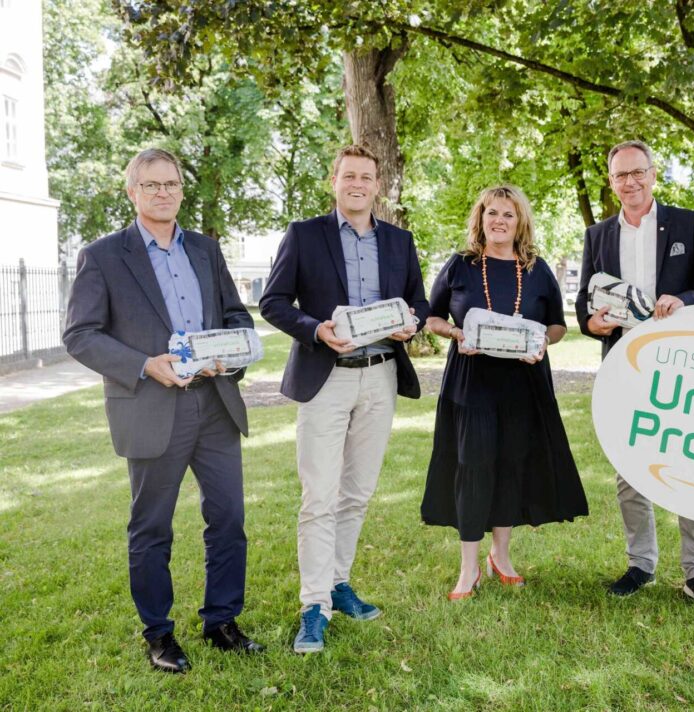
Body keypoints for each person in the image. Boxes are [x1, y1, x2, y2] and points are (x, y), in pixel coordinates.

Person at [62, 148, 263, 674]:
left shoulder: (205, 249)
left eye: (171, 183)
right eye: (150, 185)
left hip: (214, 402)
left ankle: (222, 622)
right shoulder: (104, 256)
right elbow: (80, 335)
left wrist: (233, 351)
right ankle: (159, 634)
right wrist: (143, 365)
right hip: (152, 408)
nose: (163, 193)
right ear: (132, 192)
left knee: (229, 520)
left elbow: (236, 313)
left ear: (180, 189)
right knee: (152, 528)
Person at [259, 144, 430, 653]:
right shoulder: (304, 235)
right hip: (326, 376)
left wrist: (410, 323)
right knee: (320, 497)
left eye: (367, 176)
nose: (358, 183)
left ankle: (339, 582)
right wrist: (317, 330)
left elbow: (418, 301)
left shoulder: (399, 240)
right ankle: (314, 605)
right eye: (348, 175)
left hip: (380, 377)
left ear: (378, 185)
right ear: (334, 181)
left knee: (357, 493)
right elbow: (272, 303)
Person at [575, 140, 694, 609]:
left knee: (689, 464)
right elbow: (587, 304)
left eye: (638, 172)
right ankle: (640, 564)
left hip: (684, 367)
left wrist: (686, 300)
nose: (631, 182)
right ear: (611, 182)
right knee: (630, 469)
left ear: (653, 173)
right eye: (621, 175)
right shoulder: (597, 235)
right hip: (625, 365)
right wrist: (593, 323)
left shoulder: (688, 222)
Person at [421, 185, 588, 599]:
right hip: (471, 382)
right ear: (480, 218)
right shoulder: (460, 265)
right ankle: (468, 568)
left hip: (523, 383)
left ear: (521, 222)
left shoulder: (536, 268)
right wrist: (455, 332)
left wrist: (544, 343)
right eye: (491, 212)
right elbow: (430, 317)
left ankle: (502, 556)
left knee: (512, 465)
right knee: (472, 468)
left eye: (508, 215)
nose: (499, 220)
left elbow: (558, 325)